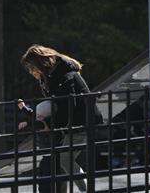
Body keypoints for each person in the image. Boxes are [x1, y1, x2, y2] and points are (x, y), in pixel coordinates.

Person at [19, 45, 102, 193]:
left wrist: (49, 124)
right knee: (64, 160)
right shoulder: (54, 75)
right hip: (74, 122)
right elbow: (57, 104)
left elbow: (67, 105)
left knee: (65, 159)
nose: (31, 72)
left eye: (32, 68)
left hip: (81, 122)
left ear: (40, 64)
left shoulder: (63, 76)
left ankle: (87, 190)